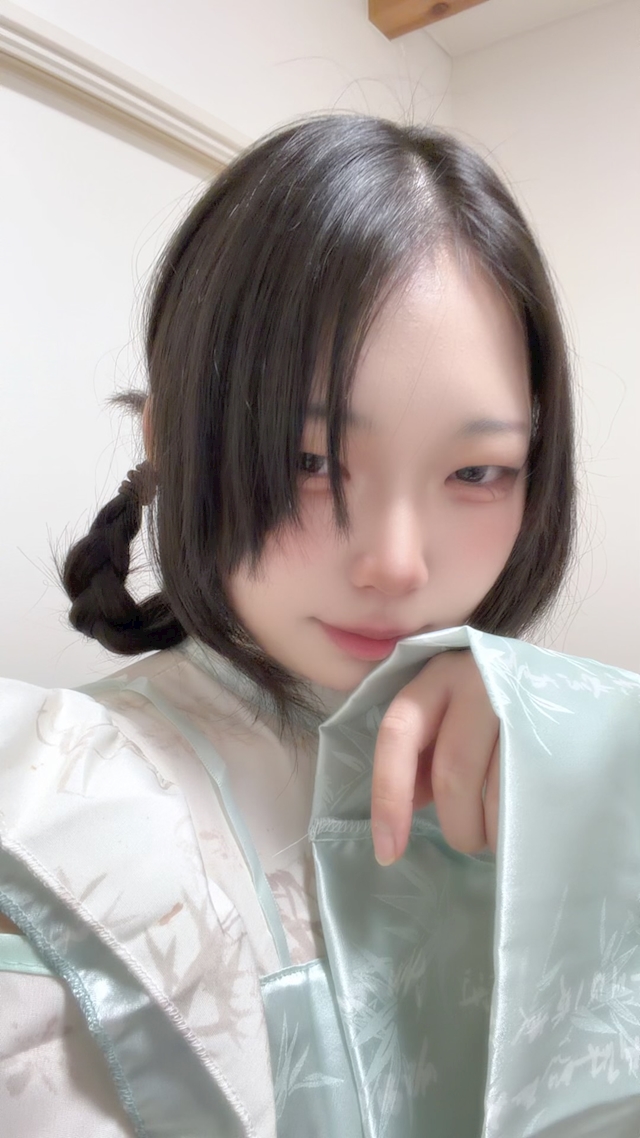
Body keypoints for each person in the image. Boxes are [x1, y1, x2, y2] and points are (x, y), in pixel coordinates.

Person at [2, 111, 617, 1136]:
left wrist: (585, 749)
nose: (397, 564)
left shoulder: (552, 744)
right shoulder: (60, 811)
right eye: (310, 460)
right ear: (170, 439)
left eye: (477, 471)